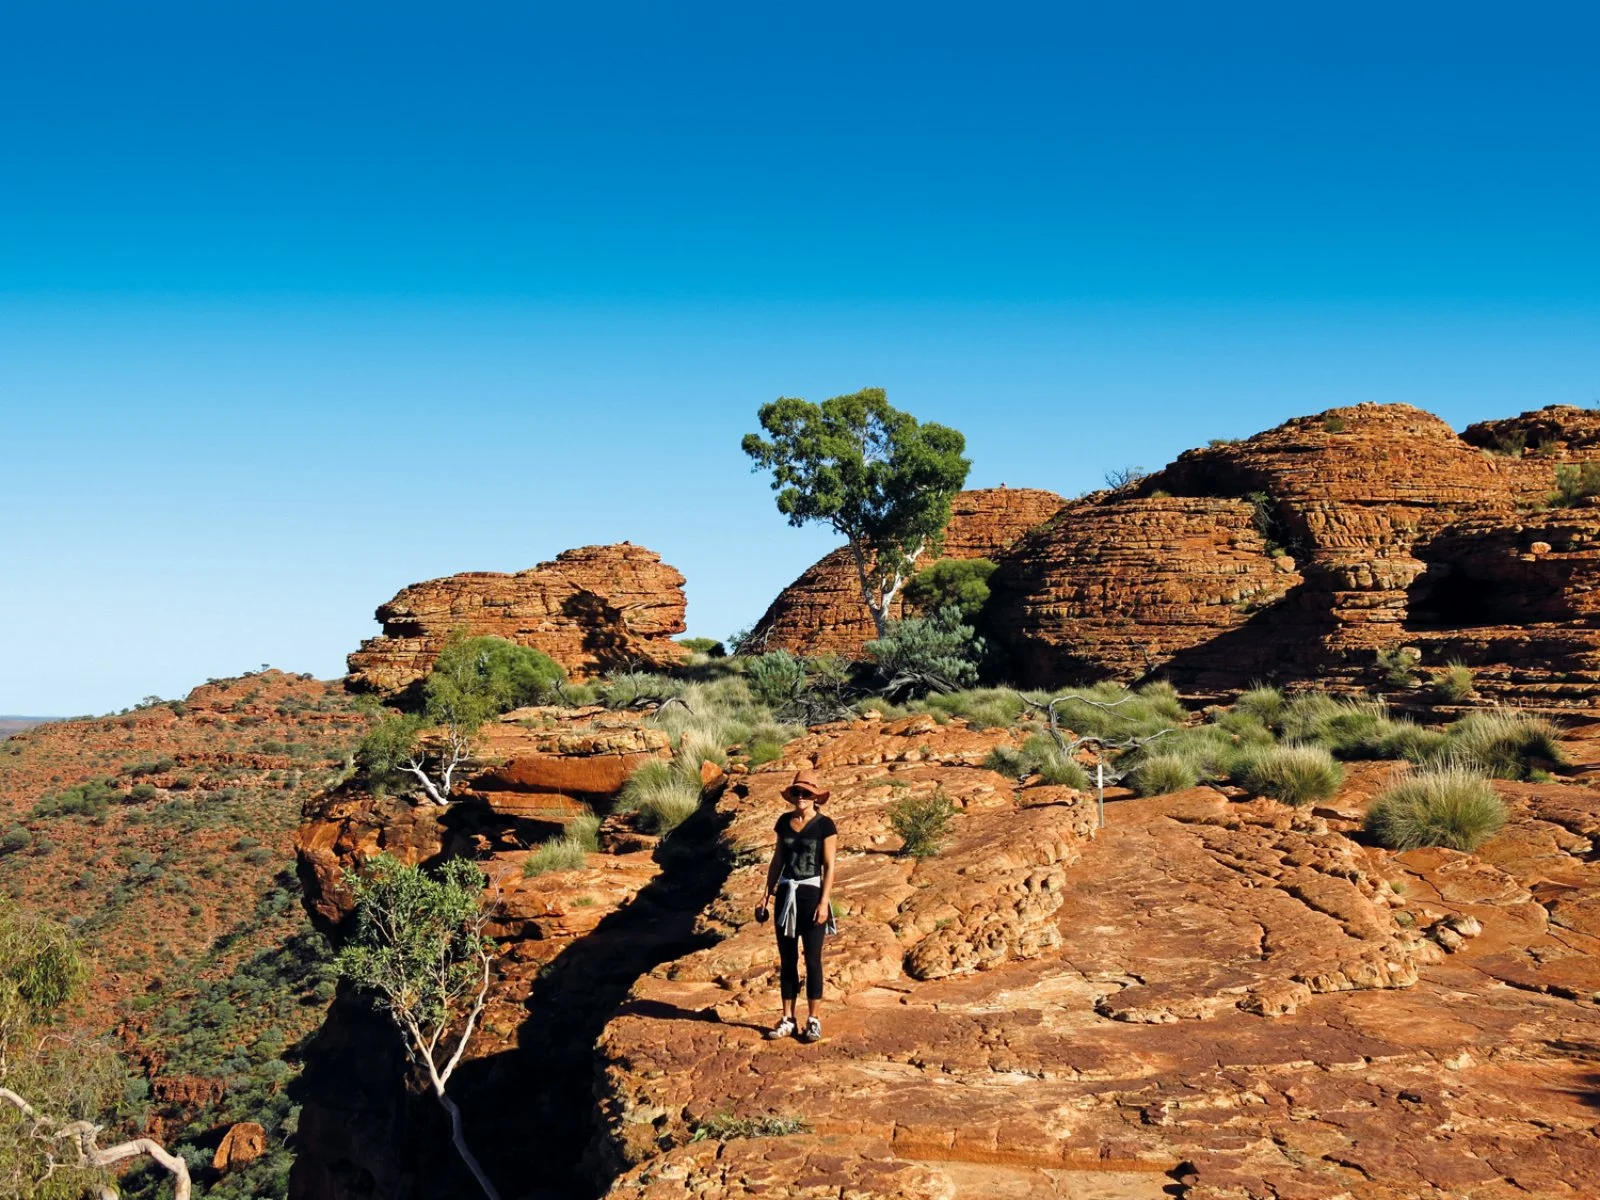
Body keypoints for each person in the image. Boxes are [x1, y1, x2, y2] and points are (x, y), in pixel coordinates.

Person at [758, 767, 838, 1043]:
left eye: (807, 793)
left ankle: (813, 1020)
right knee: (787, 959)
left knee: (813, 959)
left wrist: (824, 903)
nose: (801, 797)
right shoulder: (783, 822)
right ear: (792, 796)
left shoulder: (825, 825)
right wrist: (766, 895)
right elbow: (777, 860)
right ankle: (787, 1019)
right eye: (798, 792)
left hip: (812, 894)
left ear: (815, 797)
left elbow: (829, 866)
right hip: (786, 894)